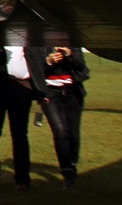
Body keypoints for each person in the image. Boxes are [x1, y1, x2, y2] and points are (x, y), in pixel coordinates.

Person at [30, 45, 89, 189]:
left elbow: (82, 68)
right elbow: (33, 70)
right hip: (51, 94)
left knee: (73, 134)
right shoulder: (38, 43)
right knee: (60, 132)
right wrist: (48, 61)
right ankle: (66, 172)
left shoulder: (71, 42)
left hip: (72, 93)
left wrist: (70, 56)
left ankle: (72, 164)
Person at [0, 45, 47, 193]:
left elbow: (37, 61)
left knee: (20, 135)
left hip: (21, 88)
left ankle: (22, 180)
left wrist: (40, 91)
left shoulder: (27, 39)